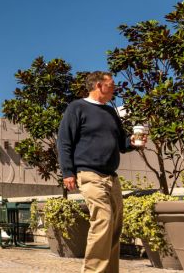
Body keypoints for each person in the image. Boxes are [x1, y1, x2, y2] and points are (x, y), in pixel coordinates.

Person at [57, 71, 147, 273]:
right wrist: (68, 172)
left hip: (111, 177)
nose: (114, 88)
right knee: (103, 220)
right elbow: (64, 142)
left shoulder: (110, 112)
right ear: (98, 85)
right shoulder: (77, 108)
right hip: (89, 174)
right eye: (111, 84)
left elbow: (121, 144)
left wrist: (133, 143)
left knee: (114, 226)